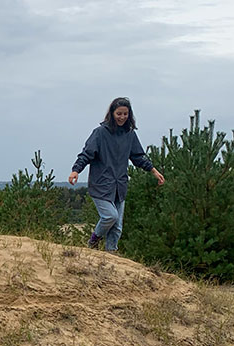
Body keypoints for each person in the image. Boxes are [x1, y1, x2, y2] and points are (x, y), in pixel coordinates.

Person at [68, 96, 165, 252]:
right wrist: (76, 170)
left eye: (125, 114)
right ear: (112, 113)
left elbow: (138, 157)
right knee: (110, 217)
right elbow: (86, 153)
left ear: (129, 115)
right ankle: (94, 240)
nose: (122, 117)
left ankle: (111, 254)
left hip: (120, 185)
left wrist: (153, 171)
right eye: (119, 113)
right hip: (101, 184)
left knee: (117, 226)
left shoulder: (130, 134)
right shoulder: (100, 133)